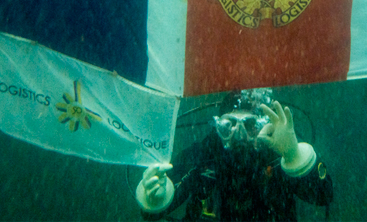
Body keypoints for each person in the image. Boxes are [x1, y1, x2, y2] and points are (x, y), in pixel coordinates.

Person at [135, 89, 333, 221]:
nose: (239, 136)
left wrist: (293, 155)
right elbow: (150, 214)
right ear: (217, 125)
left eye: (249, 126)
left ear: (262, 126)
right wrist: (155, 198)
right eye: (228, 126)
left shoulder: (276, 154)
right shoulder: (204, 155)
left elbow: (324, 195)